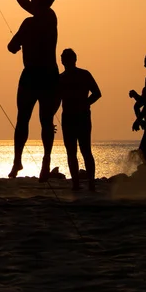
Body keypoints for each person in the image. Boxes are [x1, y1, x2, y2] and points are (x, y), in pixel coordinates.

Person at [0, 0, 60, 182]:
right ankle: (35, 161)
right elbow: (13, 44)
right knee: (41, 121)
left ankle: (23, 161)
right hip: (47, 75)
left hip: (36, 75)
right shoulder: (48, 18)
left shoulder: (38, 20)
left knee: (27, 120)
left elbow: (11, 47)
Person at [59, 49, 101, 191]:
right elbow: (55, 100)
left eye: (65, 58)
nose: (64, 61)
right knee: (74, 152)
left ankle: (89, 183)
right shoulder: (61, 78)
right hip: (70, 117)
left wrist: (85, 103)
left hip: (80, 116)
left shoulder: (83, 74)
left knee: (84, 151)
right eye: (63, 58)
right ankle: (78, 183)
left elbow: (97, 93)